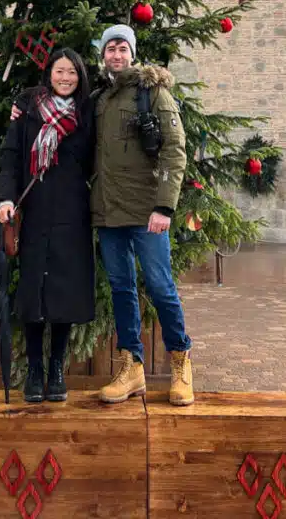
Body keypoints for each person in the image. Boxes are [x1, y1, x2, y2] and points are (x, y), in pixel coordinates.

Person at [91, 24, 194, 406]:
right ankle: (131, 367)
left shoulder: (153, 93)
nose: (116, 55)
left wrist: (164, 205)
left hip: (147, 212)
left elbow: (175, 149)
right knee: (121, 289)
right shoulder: (100, 99)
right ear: (102, 55)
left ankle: (181, 361)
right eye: (110, 49)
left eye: (122, 48)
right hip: (108, 212)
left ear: (131, 53)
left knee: (161, 287)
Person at [0, 48, 95, 404]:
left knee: (64, 292)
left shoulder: (88, 112)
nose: (65, 78)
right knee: (34, 290)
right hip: (36, 210)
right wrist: (5, 199)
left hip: (73, 212)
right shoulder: (28, 110)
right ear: (49, 74)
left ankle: (56, 368)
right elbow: (10, 157)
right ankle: (35, 369)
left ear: (80, 76)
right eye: (59, 71)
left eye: (72, 72)